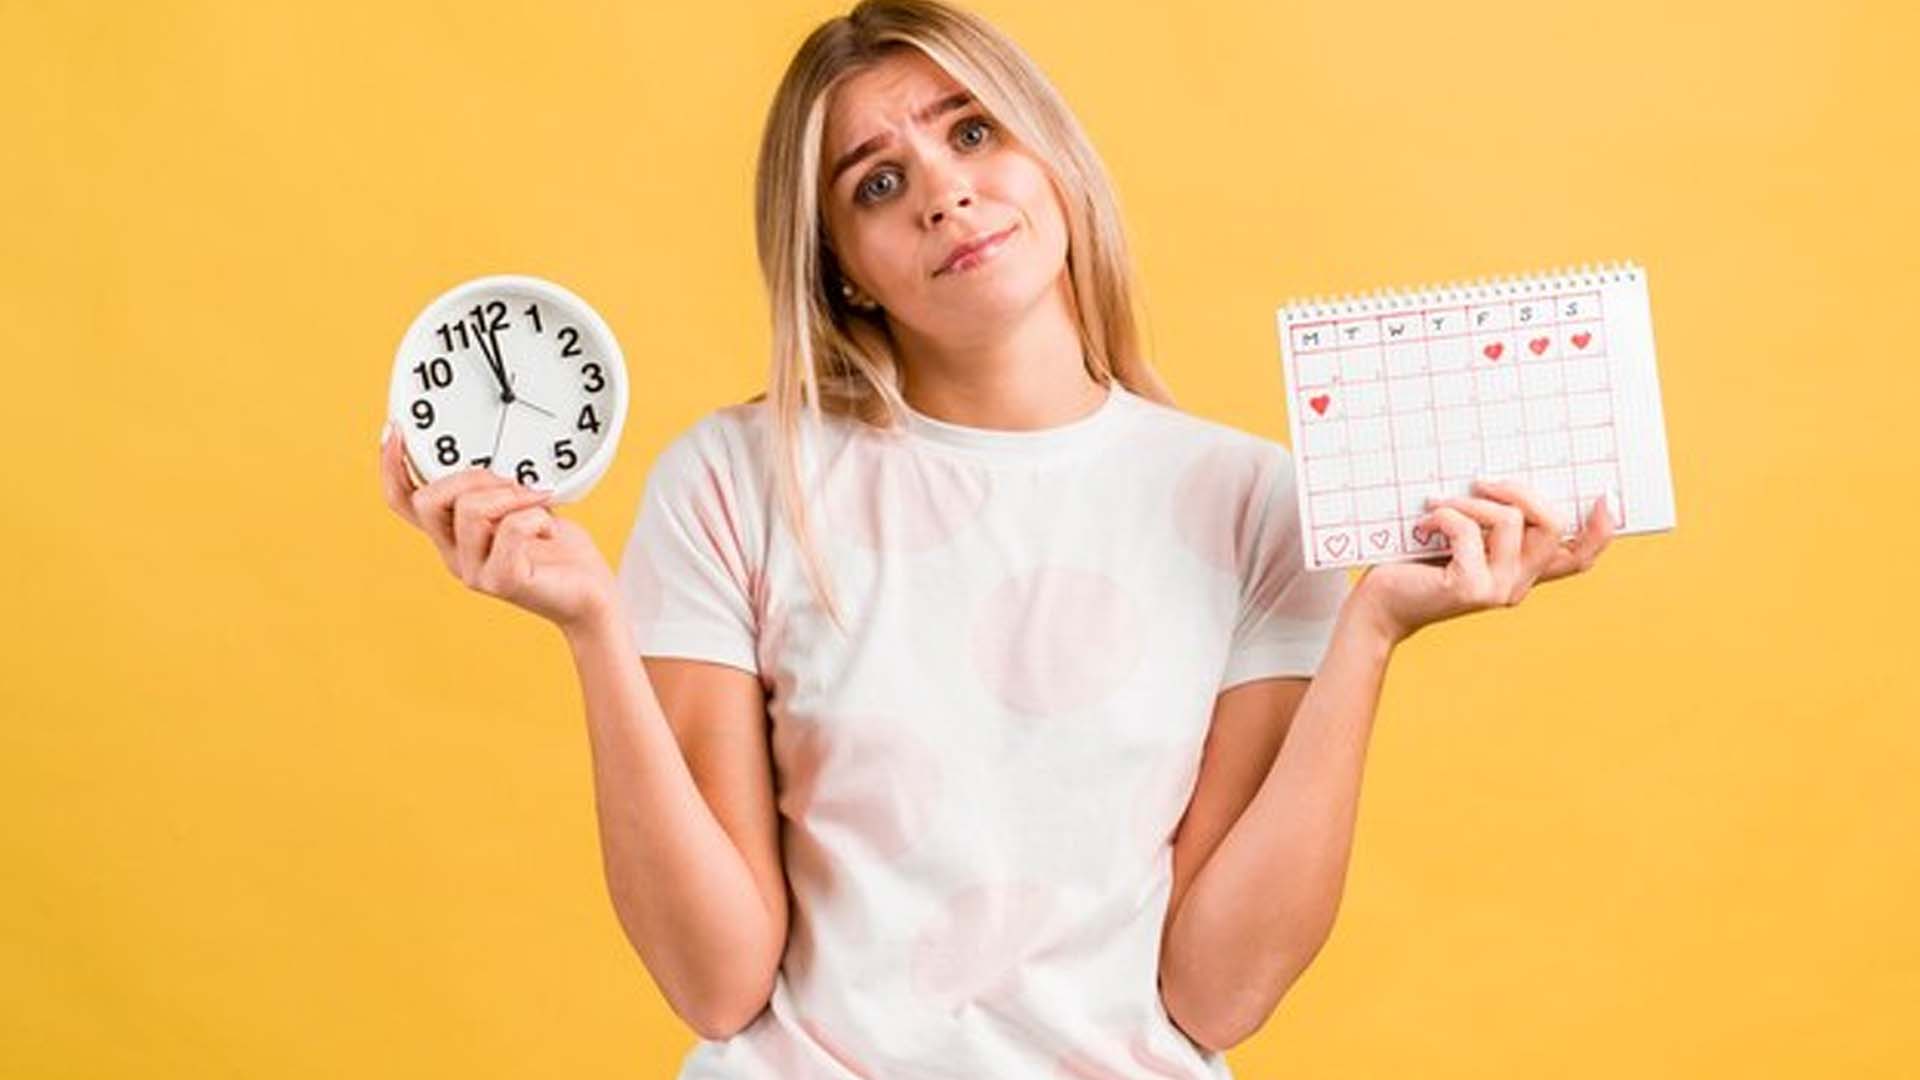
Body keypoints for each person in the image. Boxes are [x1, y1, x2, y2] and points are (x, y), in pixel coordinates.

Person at [377, 1, 1615, 1075]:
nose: (943, 190)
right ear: (843, 268)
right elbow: (717, 984)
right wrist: (593, 627)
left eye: (971, 131)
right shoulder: (734, 482)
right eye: (876, 181)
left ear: (1050, 155)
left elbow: (1218, 994)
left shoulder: (1250, 503)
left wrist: (1374, 630)